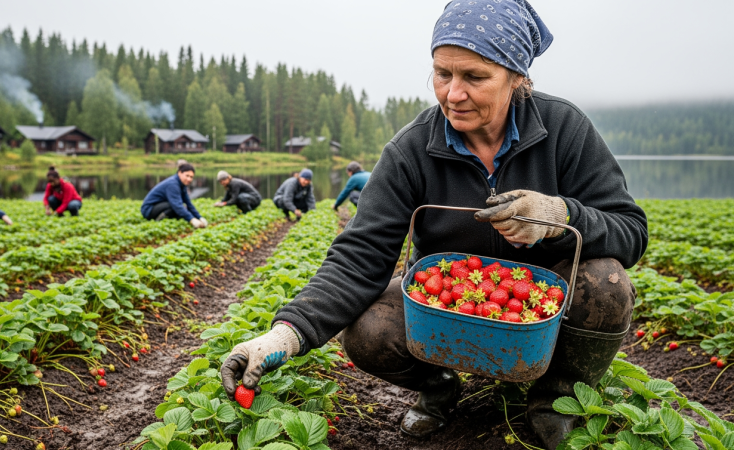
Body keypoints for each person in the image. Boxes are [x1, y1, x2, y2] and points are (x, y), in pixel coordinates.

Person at [220, 3, 648, 449]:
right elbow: (359, 257)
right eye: (442, 74)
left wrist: (561, 216)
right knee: (367, 329)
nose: (452, 94)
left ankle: (552, 397)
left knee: (607, 283)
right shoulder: (411, 149)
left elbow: (631, 231)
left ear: (517, 76)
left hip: (537, 307)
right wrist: (284, 335)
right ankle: (439, 386)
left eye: (474, 77)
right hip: (447, 302)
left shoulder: (565, 129)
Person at [141, 163, 207, 228]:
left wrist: (199, 217)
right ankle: (157, 222)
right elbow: (177, 206)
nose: (189, 179)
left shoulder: (182, 185)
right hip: (149, 210)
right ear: (179, 173)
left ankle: (168, 220)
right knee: (175, 207)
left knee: (184, 208)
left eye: (191, 177)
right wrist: (192, 219)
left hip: (161, 206)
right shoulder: (173, 184)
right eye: (187, 176)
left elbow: (188, 203)